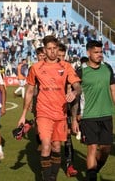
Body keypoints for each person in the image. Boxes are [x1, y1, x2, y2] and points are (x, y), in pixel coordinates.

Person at [17, 35, 81, 181]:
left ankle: (52, 176)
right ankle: (47, 178)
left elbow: (77, 86)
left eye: (54, 48)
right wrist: (23, 114)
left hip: (61, 112)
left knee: (57, 147)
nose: (52, 51)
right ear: (44, 50)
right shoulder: (36, 68)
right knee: (46, 145)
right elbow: (29, 91)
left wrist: (74, 91)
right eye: (49, 49)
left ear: (58, 49)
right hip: (43, 112)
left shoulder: (66, 66)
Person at [72, 40, 115, 181]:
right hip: (88, 116)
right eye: (96, 52)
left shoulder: (108, 68)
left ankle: (93, 171)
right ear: (88, 53)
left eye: (101, 52)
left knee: (106, 149)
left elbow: (113, 89)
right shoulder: (81, 71)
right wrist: (74, 118)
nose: (99, 55)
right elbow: (76, 96)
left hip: (106, 114)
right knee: (92, 148)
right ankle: (92, 177)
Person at [57, 43, 78, 177]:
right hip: (49, 108)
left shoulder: (67, 68)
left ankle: (69, 166)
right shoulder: (44, 68)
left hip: (65, 108)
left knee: (68, 137)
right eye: (59, 56)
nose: (61, 59)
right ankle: (51, 166)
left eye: (63, 56)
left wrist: (75, 116)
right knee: (54, 141)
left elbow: (75, 88)